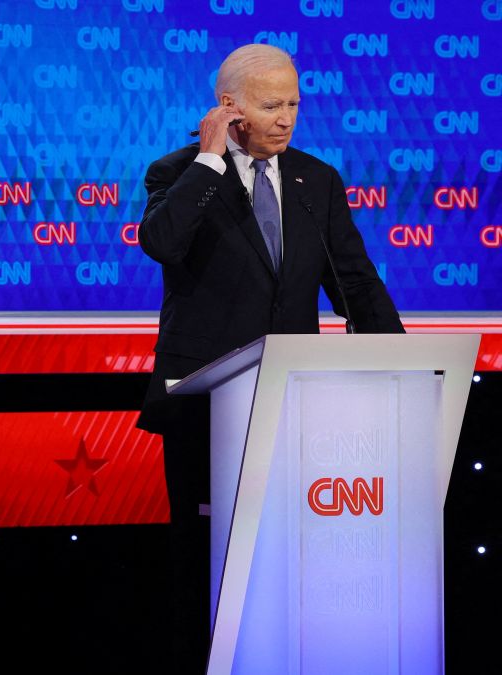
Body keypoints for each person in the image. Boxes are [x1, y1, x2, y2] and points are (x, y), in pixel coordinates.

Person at [134, 43, 404, 673]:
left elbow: (356, 284)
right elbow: (162, 244)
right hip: (205, 407)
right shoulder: (178, 173)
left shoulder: (317, 180)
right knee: (205, 564)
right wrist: (210, 159)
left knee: (289, 558)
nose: (286, 118)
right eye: (269, 104)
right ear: (228, 108)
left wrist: (397, 363)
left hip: (297, 406)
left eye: (294, 104)